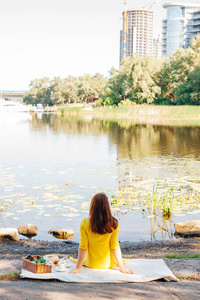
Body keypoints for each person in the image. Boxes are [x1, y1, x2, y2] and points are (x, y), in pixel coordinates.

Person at [69, 192, 133, 274]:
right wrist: (121, 267)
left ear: (92, 206)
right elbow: (115, 246)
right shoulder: (114, 223)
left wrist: (78, 268)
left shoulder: (84, 222)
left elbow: (83, 246)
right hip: (107, 264)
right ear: (107, 207)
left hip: (90, 263)